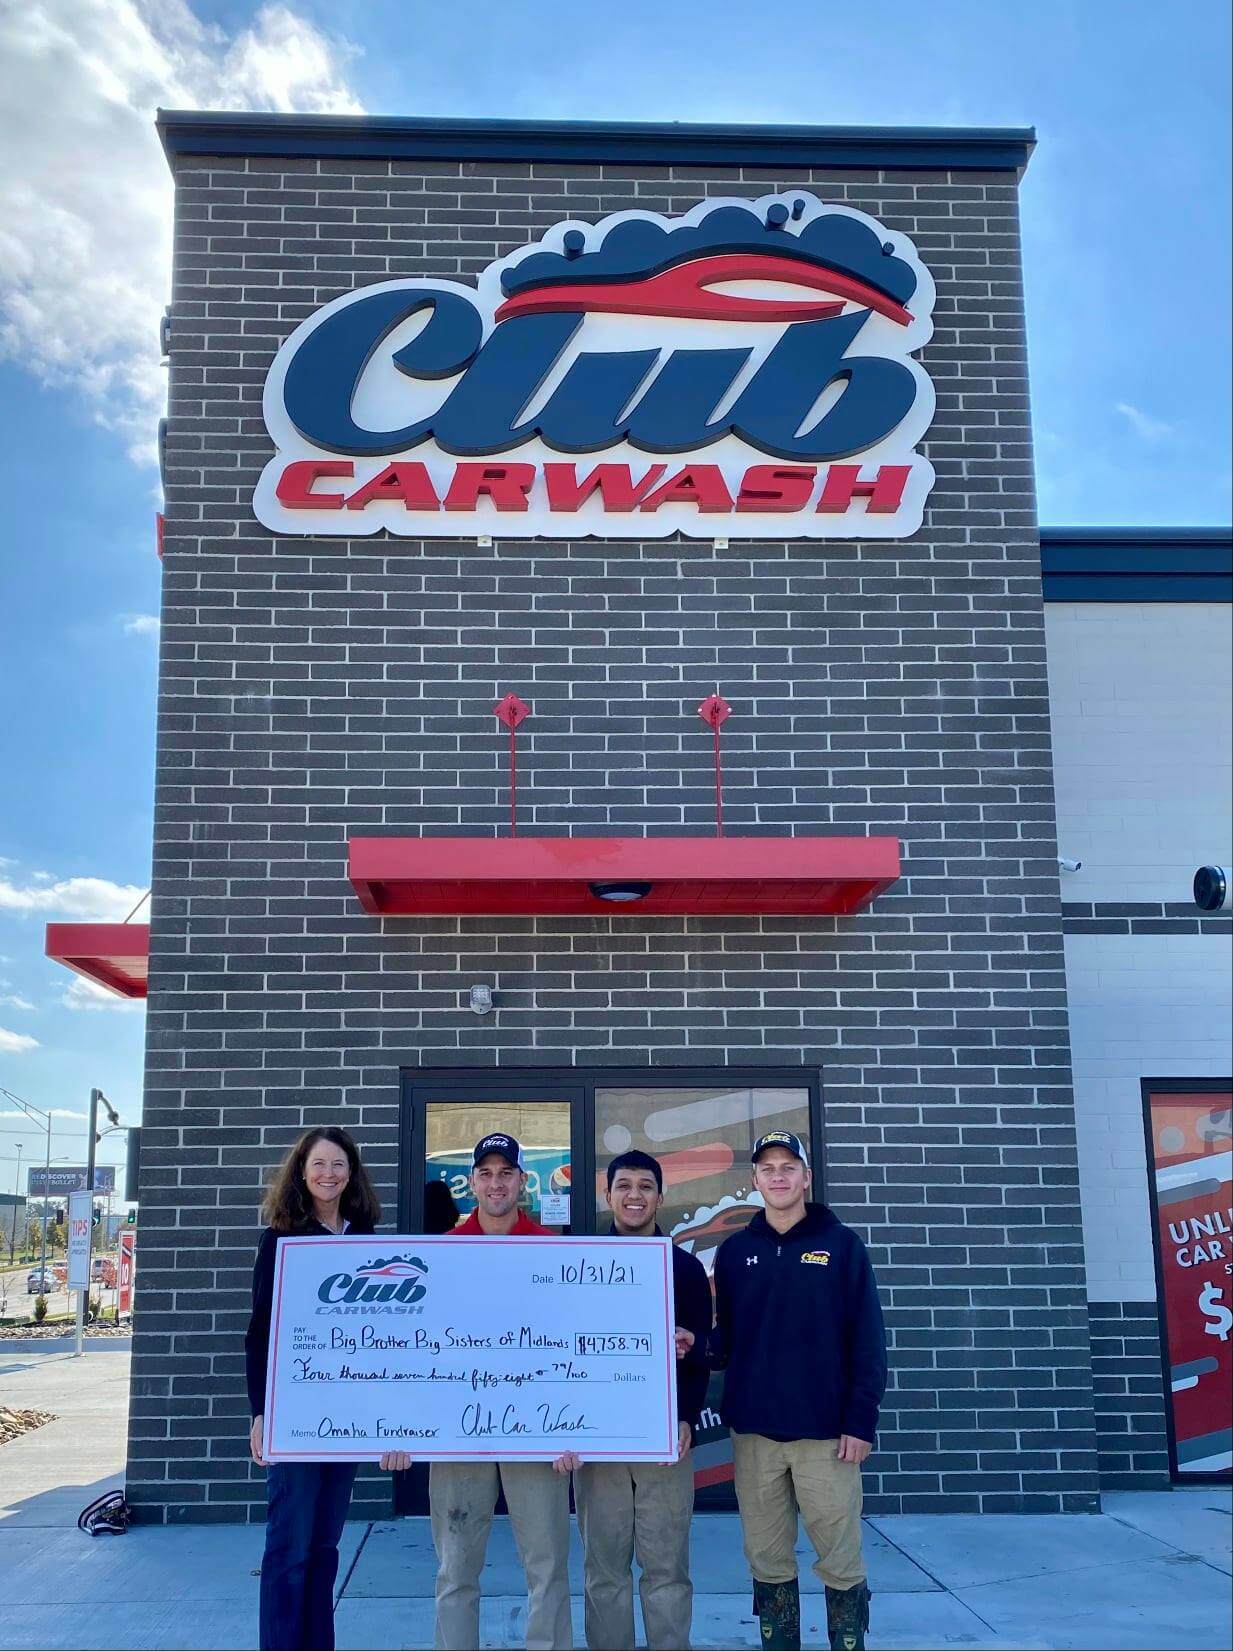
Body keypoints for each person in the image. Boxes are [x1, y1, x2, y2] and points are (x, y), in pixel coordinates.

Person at [380, 1133, 573, 1651]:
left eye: (505, 1173)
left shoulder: (555, 1253)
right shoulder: (437, 1255)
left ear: (521, 1181)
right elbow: (413, 1351)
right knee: (455, 1572)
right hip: (457, 1436)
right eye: (485, 1173)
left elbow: (576, 1348)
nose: (495, 1183)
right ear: (472, 1182)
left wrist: (580, 1423)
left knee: (548, 1570)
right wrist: (401, 1427)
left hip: (537, 1434)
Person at [712, 1131, 887, 1651]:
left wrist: (860, 1421)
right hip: (756, 1437)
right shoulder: (734, 1251)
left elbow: (869, 1339)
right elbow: (728, 1339)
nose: (779, 1176)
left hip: (827, 1437)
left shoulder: (843, 1247)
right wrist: (694, 1344)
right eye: (768, 1168)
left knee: (840, 1559)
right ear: (754, 1181)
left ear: (807, 1177)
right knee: (766, 1559)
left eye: (789, 1166)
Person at [568, 1149, 713, 1650]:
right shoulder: (579, 1265)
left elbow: (699, 1353)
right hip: (599, 1439)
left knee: (667, 1568)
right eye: (624, 1185)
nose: (635, 1195)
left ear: (660, 1196)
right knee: (603, 1568)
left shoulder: (686, 1270)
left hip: (662, 1435)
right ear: (607, 1195)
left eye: (646, 1186)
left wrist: (687, 1416)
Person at [245, 1125, 381, 1651]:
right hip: (295, 1414)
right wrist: (261, 1413)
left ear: (352, 1174)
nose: (329, 1174)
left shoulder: (364, 1236)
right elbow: (259, 1331)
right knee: (289, 1547)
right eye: (320, 1164)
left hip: (344, 1417)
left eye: (339, 1165)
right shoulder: (281, 1239)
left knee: (325, 1545)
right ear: (301, 1172)